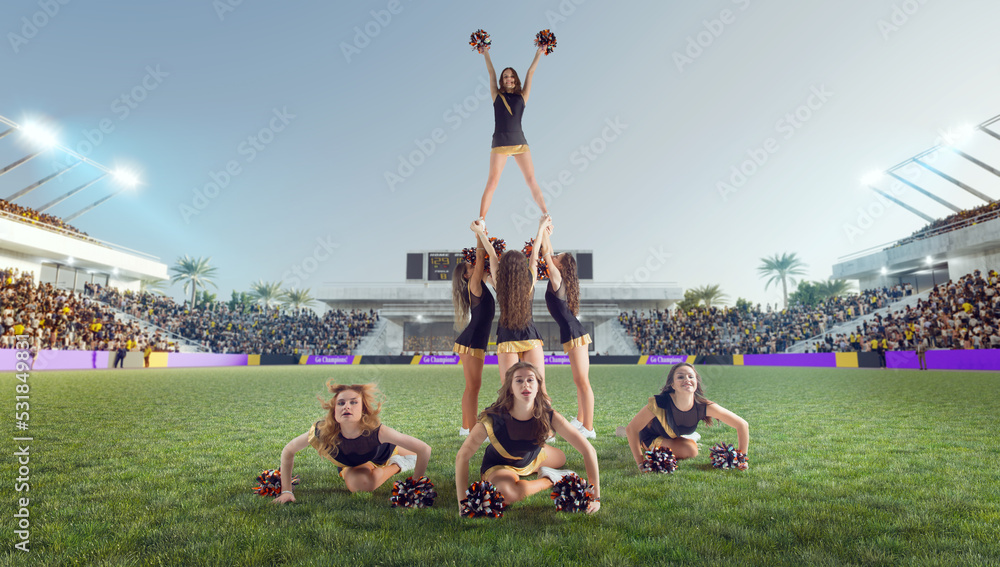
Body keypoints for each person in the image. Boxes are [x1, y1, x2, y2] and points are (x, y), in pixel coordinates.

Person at [455, 361, 601, 514]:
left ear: (538, 386)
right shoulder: (493, 418)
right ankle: (549, 480)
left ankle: (545, 470)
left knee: (561, 458)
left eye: (530, 379)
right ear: (510, 387)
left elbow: (588, 450)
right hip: (502, 464)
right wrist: (462, 502)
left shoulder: (549, 415)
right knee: (506, 494)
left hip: (534, 458)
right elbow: (462, 456)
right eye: (519, 380)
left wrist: (595, 498)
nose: (526, 384)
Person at [273, 381, 432, 503]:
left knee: (414, 455)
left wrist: (413, 490)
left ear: (363, 409)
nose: (346, 406)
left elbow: (424, 449)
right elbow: (288, 451)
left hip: (384, 453)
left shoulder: (379, 431)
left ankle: (398, 462)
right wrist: (287, 491)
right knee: (360, 485)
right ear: (334, 411)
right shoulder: (322, 431)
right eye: (341, 403)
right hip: (351, 463)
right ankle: (398, 463)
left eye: (353, 402)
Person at [475, 43, 549, 228]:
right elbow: (491, 72)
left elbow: (530, 72)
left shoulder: (522, 96)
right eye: (505, 76)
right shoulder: (496, 95)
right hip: (500, 143)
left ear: (516, 79)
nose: (508, 79)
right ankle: (481, 220)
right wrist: (485, 53)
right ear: (502, 80)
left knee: (531, 179)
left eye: (511, 76)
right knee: (492, 182)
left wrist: (538, 52)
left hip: (519, 143)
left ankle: (546, 214)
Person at [625, 363, 749, 469]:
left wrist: (741, 459)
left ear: (696, 383)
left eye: (691, 376)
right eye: (680, 377)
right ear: (672, 385)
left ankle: (683, 438)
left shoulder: (703, 406)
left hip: (671, 437)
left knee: (690, 449)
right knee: (691, 450)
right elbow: (632, 429)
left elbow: (742, 425)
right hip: (651, 437)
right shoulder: (659, 403)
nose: (687, 379)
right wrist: (640, 462)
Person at [474, 216, 550, 382]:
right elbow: (535, 251)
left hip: (506, 336)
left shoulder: (499, 282)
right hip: (530, 334)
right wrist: (541, 227)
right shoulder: (530, 278)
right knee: (539, 388)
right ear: (523, 267)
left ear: (504, 267)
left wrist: (480, 233)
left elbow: (492, 254)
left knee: (508, 389)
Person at [540, 222, 596, 439]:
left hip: (576, 334)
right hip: (572, 334)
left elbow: (546, 254)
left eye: (557, 258)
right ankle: (582, 420)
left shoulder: (556, 278)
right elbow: (550, 253)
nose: (553, 258)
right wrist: (547, 234)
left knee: (583, 381)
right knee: (578, 381)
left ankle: (589, 428)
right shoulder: (559, 278)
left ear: (560, 267)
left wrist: (543, 232)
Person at [452, 221, 497, 437]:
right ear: (467, 276)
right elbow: (480, 259)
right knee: (473, 388)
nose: (474, 266)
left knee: (471, 387)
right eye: (470, 267)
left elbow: (479, 261)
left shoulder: (478, 287)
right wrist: (479, 235)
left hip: (472, 341)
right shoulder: (474, 285)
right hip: (472, 342)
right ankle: (471, 430)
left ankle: (465, 426)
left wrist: (481, 235)